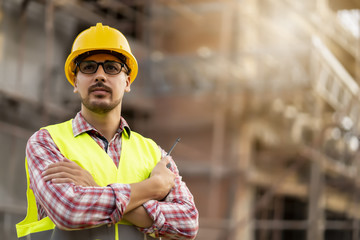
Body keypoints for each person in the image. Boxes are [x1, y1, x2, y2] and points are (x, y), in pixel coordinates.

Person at [16, 23, 199, 240]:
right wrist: (152, 187)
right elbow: (68, 210)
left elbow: (187, 223)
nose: (100, 76)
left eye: (111, 68)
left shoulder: (155, 154)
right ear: (75, 81)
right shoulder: (46, 141)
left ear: (127, 81)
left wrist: (95, 189)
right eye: (88, 67)